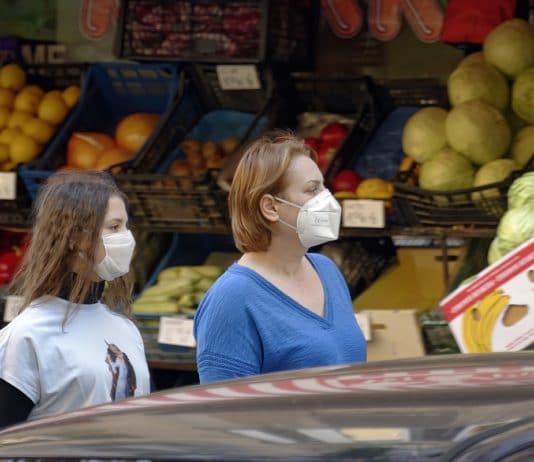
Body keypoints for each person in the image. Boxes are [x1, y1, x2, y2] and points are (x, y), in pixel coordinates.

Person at [194, 131, 367, 384]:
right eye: (312, 190)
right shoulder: (231, 300)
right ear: (271, 207)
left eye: (324, 187)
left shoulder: (326, 271)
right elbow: (226, 414)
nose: (327, 200)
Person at [0, 171, 150, 429]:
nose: (126, 237)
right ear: (74, 238)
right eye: (114, 227)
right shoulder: (28, 335)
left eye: (126, 226)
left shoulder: (126, 330)